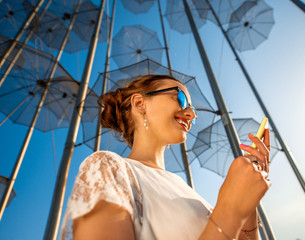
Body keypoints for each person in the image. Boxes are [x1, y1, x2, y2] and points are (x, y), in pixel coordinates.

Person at [61, 74, 271, 240]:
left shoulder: (186, 189)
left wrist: (247, 208)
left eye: (193, 109)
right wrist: (230, 209)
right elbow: (225, 222)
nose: (191, 114)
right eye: (181, 98)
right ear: (139, 103)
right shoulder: (107, 167)